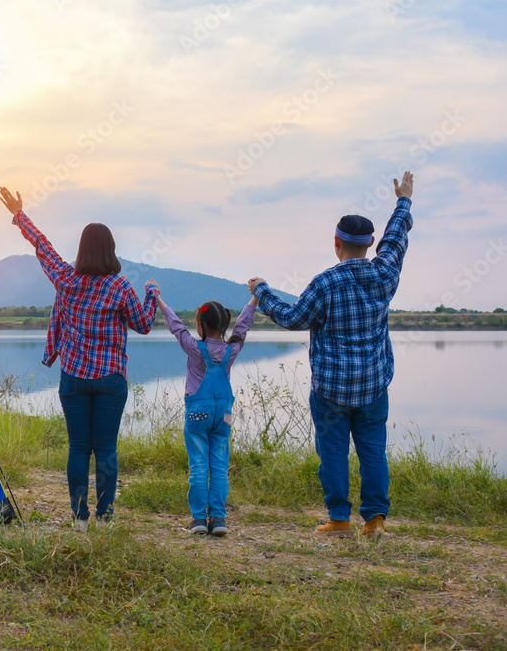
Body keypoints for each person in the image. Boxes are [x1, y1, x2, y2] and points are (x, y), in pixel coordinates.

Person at [248, 171, 414, 538]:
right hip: (373, 385)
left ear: (336, 243)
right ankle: (375, 521)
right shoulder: (385, 273)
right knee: (373, 451)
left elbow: (292, 318)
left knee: (334, 452)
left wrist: (262, 291)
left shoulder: (325, 282)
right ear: (369, 243)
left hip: (330, 390)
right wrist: (404, 200)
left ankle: (339, 520)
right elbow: (397, 239)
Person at [0, 187, 159, 531]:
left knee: (77, 450)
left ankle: (80, 519)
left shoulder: (66, 279)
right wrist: (152, 294)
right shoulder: (121, 287)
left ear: (82, 248)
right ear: (111, 249)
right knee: (106, 450)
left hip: (73, 377)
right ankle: (105, 518)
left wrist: (19, 216)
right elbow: (144, 325)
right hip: (111, 379)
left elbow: (43, 247)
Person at [158, 295, 257, 536]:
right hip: (224, 414)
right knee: (220, 466)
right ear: (224, 326)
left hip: (197, 414)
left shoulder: (194, 348)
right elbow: (243, 327)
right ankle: (219, 519)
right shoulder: (231, 350)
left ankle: (199, 520)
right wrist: (255, 299)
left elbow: (176, 326)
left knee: (199, 465)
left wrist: (159, 299)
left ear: (201, 325)